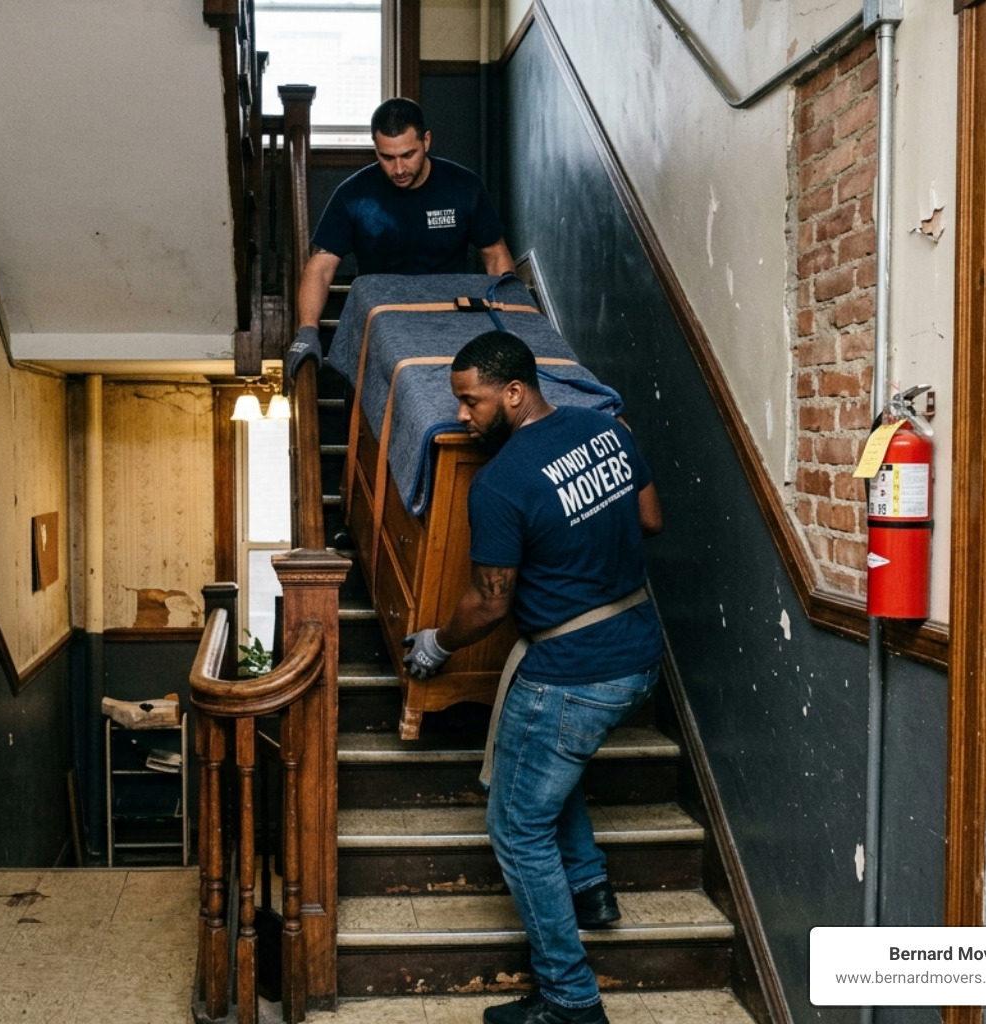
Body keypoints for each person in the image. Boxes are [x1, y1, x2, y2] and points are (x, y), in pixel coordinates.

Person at [400, 331, 663, 1024]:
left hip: (574, 677)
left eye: (471, 402)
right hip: (639, 653)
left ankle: (571, 1001)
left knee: (517, 826)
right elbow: (650, 518)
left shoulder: (500, 483)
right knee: (541, 773)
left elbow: (491, 601)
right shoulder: (605, 430)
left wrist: (437, 643)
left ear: (514, 392)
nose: (461, 416)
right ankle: (589, 887)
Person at [294, 98, 515, 337]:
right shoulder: (353, 195)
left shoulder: (464, 187)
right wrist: (307, 330)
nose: (398, 169)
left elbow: (495, 256)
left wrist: (512, 318)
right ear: (375, 148)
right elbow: (321, 267)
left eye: (408, 155)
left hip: (451, 317)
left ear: (426, 141)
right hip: (382, 319)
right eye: (387, 157)